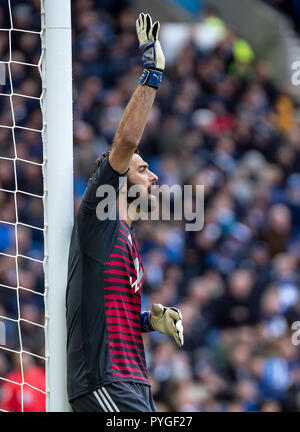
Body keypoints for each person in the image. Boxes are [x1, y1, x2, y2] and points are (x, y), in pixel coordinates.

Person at [66, 13, 184, 412]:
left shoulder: (127, 236)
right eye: (143, 169)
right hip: (106, 383)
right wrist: (152, 71)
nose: (153, 178)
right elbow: (127, 140)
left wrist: (151, 322)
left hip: (134, 384)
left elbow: (111, 316)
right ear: (117, 178)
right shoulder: (99, 219)